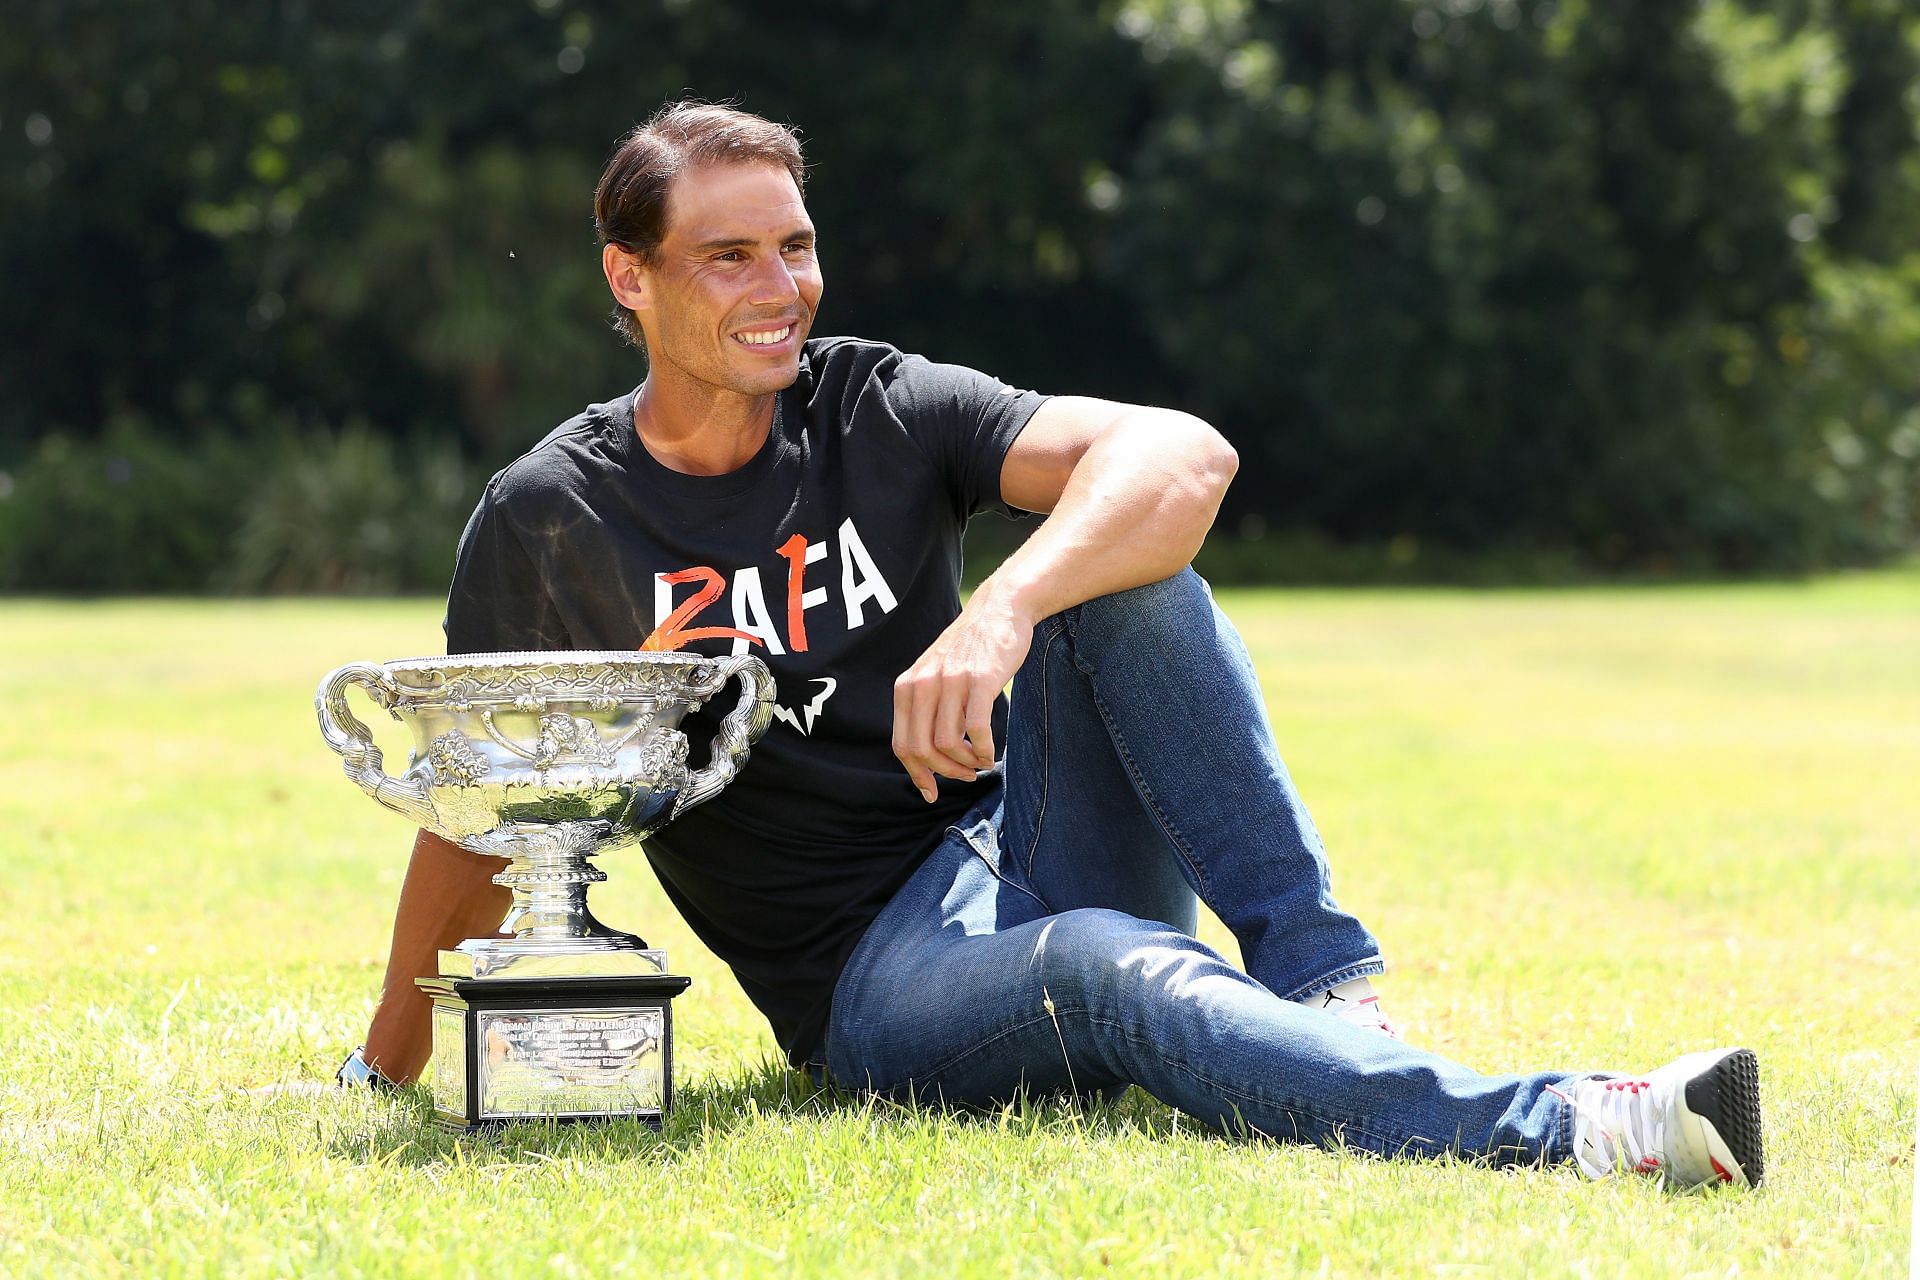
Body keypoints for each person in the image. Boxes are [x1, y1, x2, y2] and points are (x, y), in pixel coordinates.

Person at [335, 101, 1764, 1190]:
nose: (780, 285)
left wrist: (1000, 609)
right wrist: (384, 1065)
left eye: (795, 244)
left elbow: (1180, 458)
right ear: (631, 279)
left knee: (1129, 575)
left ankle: (1327, 987)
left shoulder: (876, 405)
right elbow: (490, 813)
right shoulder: (555, 514)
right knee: (1100, 963)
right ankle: (1591, 1127)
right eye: (727, 257)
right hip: (873, 989)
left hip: (1024, 845)